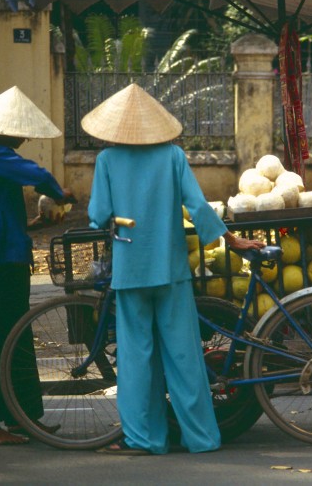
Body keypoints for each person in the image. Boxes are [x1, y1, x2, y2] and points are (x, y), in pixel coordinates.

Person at [83, 83, 264, 456]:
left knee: (136, 358)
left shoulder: (107, 161)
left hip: (131, 270)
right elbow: (198, 207)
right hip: (172, 270)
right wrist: (233, 242)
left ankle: (144, 439)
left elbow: (99, 215)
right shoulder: (173, 157)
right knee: (183, 356)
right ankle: (202, 438)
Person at [0, 86, 75, 445]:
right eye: (19, 131)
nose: (24, 137)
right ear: (4, 131)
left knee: (16, 336)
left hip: (5, 256)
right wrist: (60, 193)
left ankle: (21, 416)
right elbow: (36, 174)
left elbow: (3, 218)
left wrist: (38, 225)